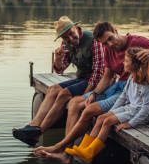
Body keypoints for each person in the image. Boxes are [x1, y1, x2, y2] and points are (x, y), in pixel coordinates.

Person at [35, 21, 149, 163]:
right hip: (117, 86)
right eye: (105, 43)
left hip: (129, 89)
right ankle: (66, 153)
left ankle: (60, 148)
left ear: (116, 30)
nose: (109, 45)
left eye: (110, 39)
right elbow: (107, 76)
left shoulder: (137, 42)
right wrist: (94, 93)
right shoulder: (108, 49)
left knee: (89, 111)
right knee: (75, 102)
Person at [12, 16, 105, 146]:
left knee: (64, 94)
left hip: (97, 82)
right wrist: (58, 59)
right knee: (53, 89)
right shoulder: (65, 44)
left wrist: (86, 95)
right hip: (82, 78)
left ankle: (38, 133)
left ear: (76, 28)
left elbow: (98, 74)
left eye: (71, 34)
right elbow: (59, 70)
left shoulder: (93, 40)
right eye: (66, 37)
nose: (70, 39)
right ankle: (33, 126)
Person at [65, 46, 149, 164]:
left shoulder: (147, 84)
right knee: (101, 118)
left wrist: (130, 124)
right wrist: (111, 111)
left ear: (135, 65)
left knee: (107, 121)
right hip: (131, 108)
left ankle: (90, 153)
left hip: (143, 115)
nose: (123, 62)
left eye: (126, 61)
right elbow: (123, 97)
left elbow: (146, 108)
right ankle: (84, 148)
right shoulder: (131, 78)